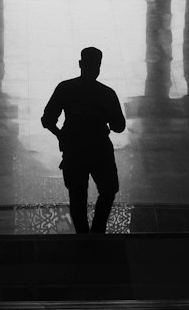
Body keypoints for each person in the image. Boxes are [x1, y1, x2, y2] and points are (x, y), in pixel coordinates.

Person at [41, 46, 126, 234]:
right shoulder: (107, 93)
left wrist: (60, 134)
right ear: (99, 67)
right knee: (108, 189)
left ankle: (83, 237)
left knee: (77, 196)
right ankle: (98, 230)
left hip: (74, 150)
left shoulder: (65, 88)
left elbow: (47, 119)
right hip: (100, 149)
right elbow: (119, 126)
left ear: (80, 64)